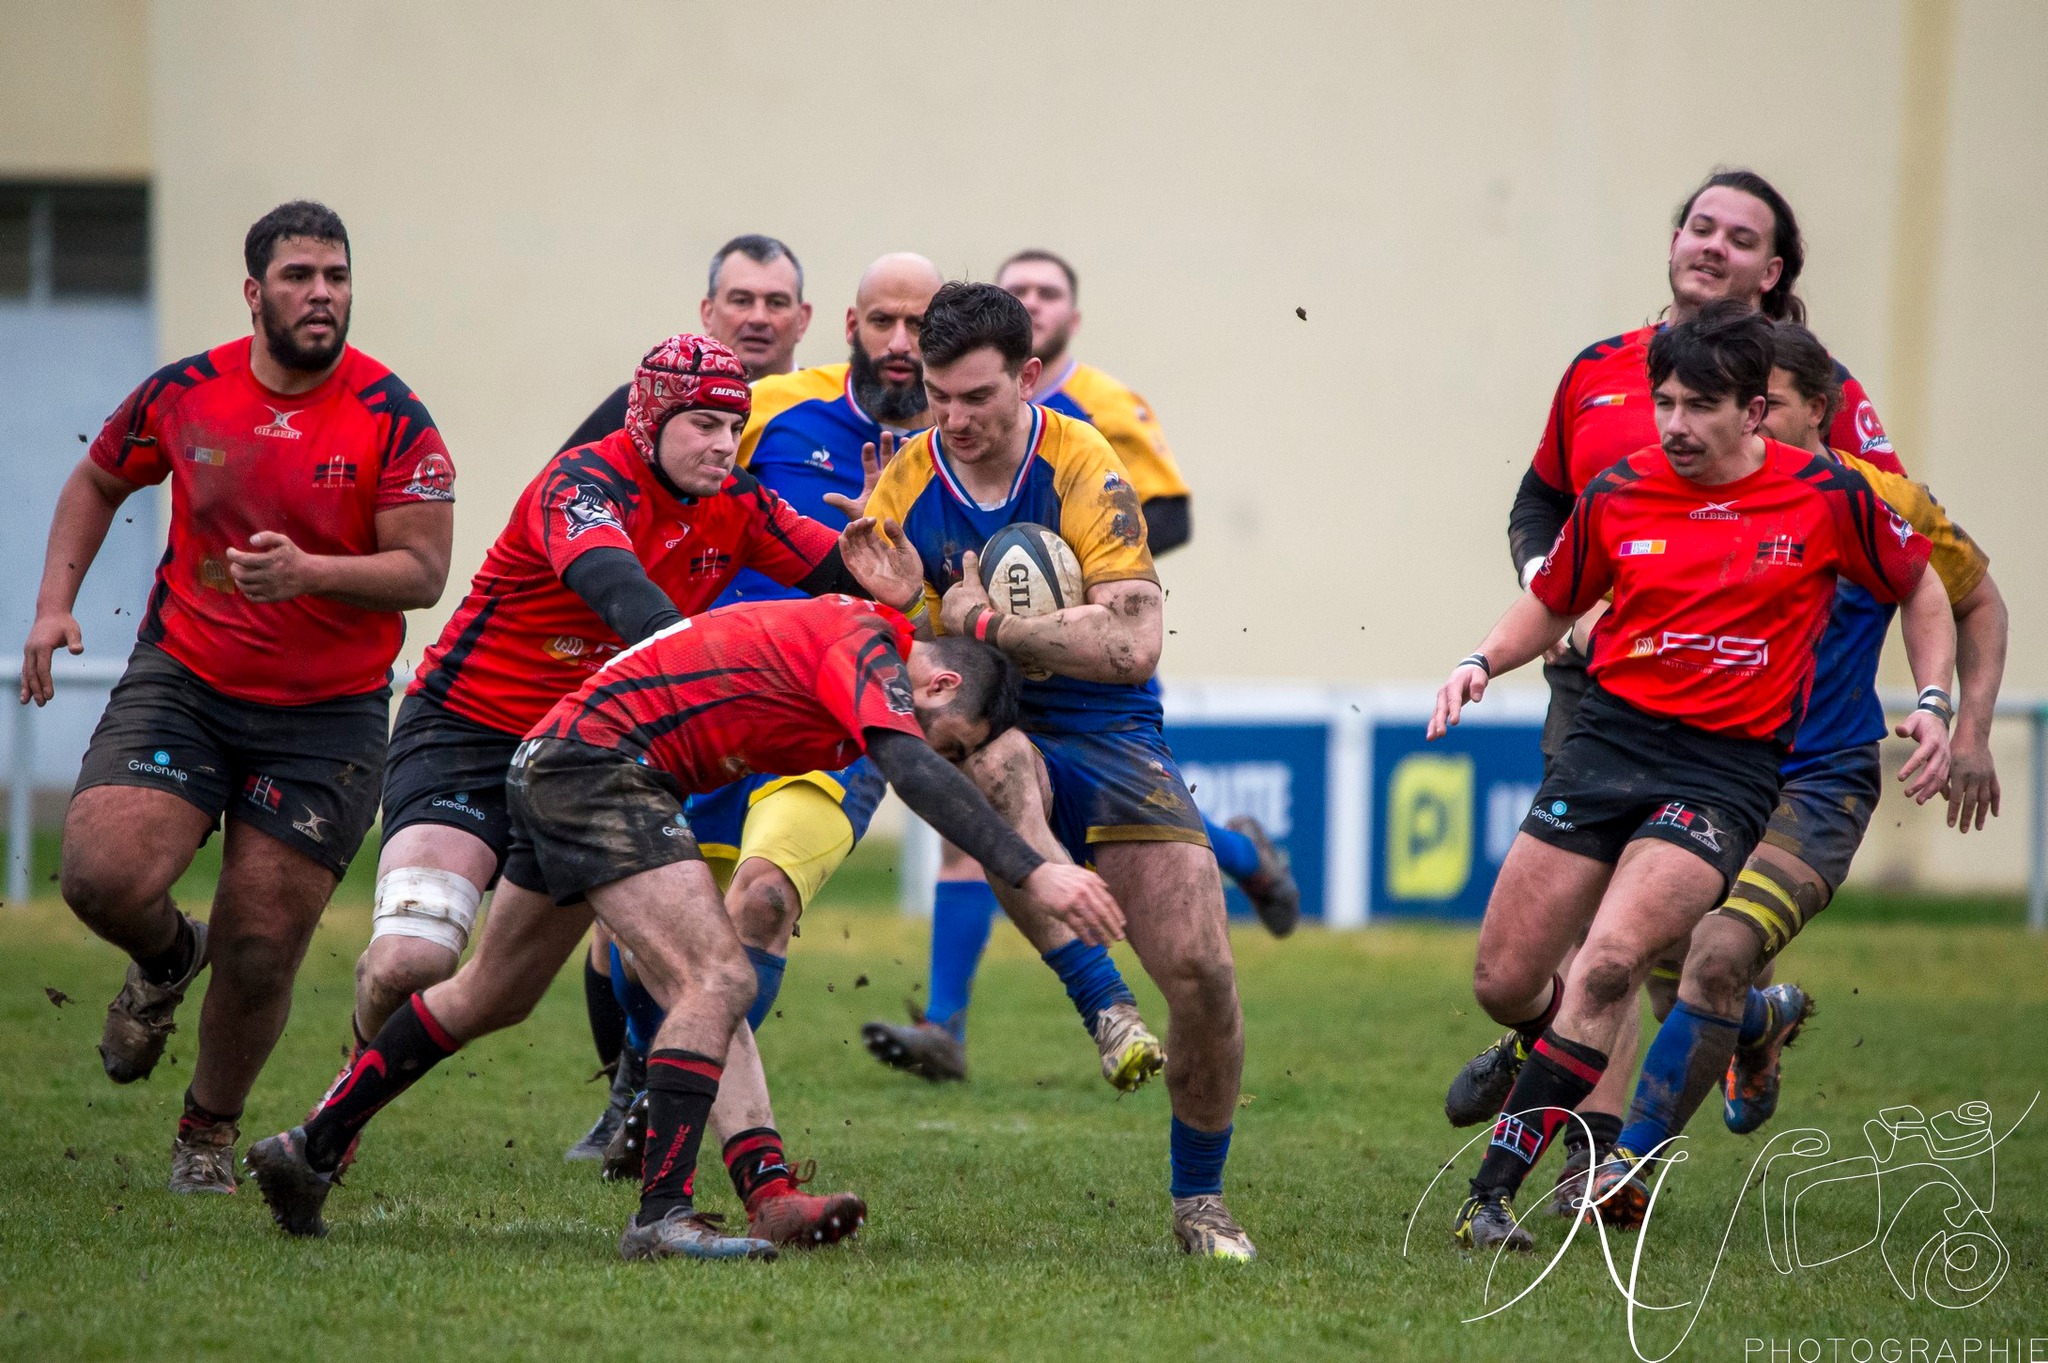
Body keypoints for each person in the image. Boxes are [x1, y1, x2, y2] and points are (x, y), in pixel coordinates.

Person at [245, 594, 1118, 1263]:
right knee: (718, 978)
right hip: (602, 767)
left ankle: (309, 1146)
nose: (937, 754)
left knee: (493, 993)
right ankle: (663, 1212)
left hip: (564, 757)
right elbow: (914, 772)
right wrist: (1034, 867)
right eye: (950, 740)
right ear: (940, 683)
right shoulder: (868, 646)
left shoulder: (858, 639)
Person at [1434, 302, 1954, 1252]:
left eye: (1700, 406)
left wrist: (1933, 701)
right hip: (1606, 744)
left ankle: (1490, 1195)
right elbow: (1553, 599)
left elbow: (1920, 583)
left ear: (1754, 412)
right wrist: (1480, 661)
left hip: (1723, 770)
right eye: (1665, 402)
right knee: (1505, 977)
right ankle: (1555, 1049)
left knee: (1607, 965)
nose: (1675, 424)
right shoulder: (1621, 489)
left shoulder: (1828, 494)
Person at [345, 333, 885, 1243]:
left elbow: (858, 574)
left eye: (735, 426)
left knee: (702, 968)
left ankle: (767, 1188)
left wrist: (894, 552)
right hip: (469, 732)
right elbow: (626, 598)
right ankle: (346, 1096)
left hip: (587, 761)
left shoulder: (740, 501)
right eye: (704, 424)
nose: (725, 444)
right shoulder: (583, 485)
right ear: (649, 421)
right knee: (415, 964)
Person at [17, 201, 455, 1194]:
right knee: (99, 874)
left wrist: (310, 573)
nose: (322, 294)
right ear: (255, 293)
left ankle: (205, 1132)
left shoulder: (394, 414)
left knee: (261, 944)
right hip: (186, 681)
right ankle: (170, 955)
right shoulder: (185, 392)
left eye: (336, 276)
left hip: (327, 715)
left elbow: (424, 571)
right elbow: (96, 480)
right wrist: (52, 607)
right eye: (300, 276)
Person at [841, 282, 1256, 1260]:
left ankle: (1200, 1201)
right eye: (938, 396)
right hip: (989, 727)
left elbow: (1132, 643)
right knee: (991, 768)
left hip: (1110, 731)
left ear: (1027, 377)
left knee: (1202, 974)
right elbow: (899, 666)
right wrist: (904, 615)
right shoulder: (903, 483)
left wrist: (981, 619)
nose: (953, 419)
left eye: (977, 396)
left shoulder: (1081, 461)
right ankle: (1101, 1000)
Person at [1586, 322, 2006, 1227]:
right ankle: (1757, 1021)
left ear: (1818, 408)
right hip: (1707, 765)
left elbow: (1974, 599)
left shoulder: (1879, 499)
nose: (1747, 419)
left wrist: (1961, 724)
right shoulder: (1696, 493)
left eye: (1765, 402)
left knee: (1716, 955)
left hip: (1820, 780)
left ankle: (1626, 1167)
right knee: (1669, 969)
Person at [562, 252, 945, 1157]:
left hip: (831, 719)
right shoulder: (765, 406)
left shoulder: (969, 445)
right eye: (883, 321)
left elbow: (952, 607)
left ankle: (666, 1107)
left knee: (762, 900)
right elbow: (597, 469)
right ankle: (632, 1087)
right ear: (847, 326)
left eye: (919, 326)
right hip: (703, 705)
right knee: (632, 932)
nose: (900, 342)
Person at [557, 234, 811, 449]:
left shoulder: (828, 408)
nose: (758, 318)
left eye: (776, 303)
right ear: (708, 313)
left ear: (802, 320)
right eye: (741, 301)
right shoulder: (645, 405)